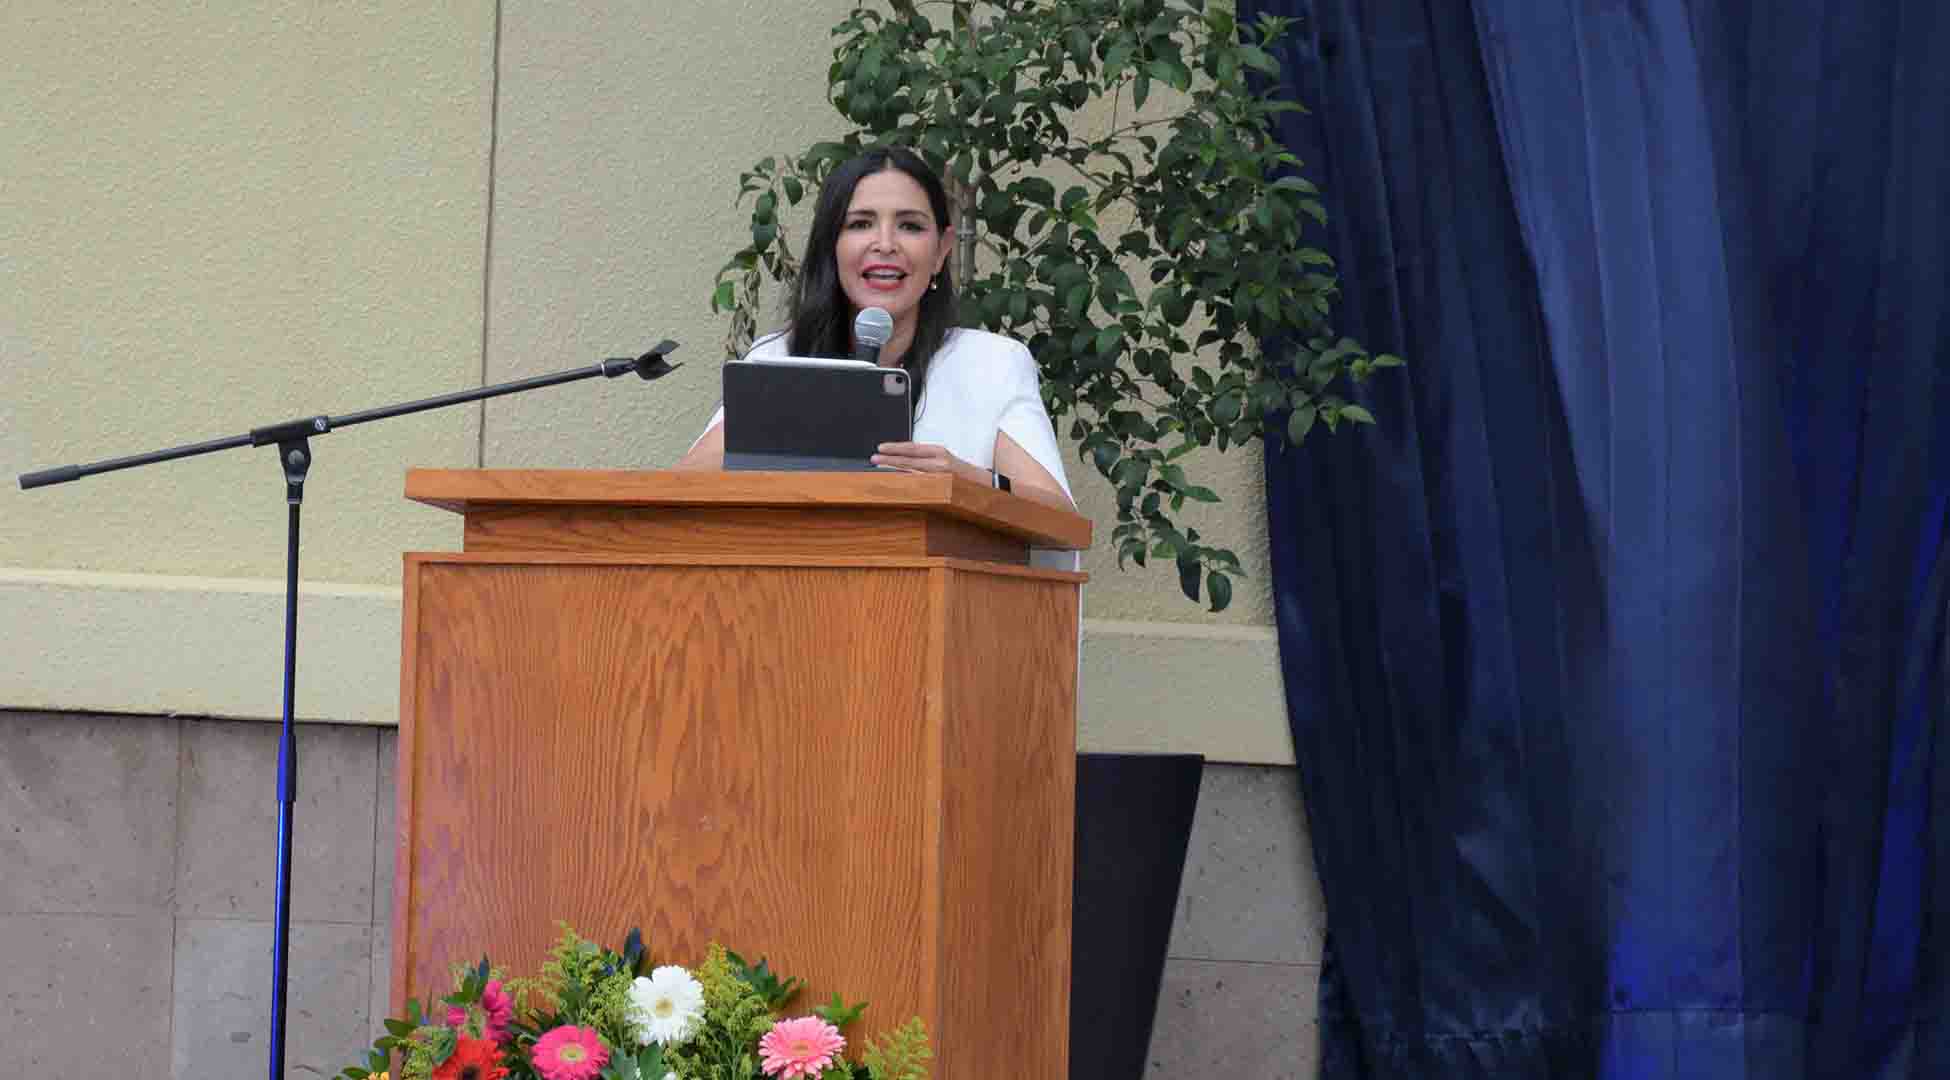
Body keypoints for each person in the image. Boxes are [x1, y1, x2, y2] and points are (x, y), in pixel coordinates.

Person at [675, 146, 1076, 514]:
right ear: (831, 246)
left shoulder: (991, 365)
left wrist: (966, 481)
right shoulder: (777, 358)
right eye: (861, 224)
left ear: (940, 251)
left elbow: (1057, 515)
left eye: (910, 227)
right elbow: (682, 488)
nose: (885, 244)